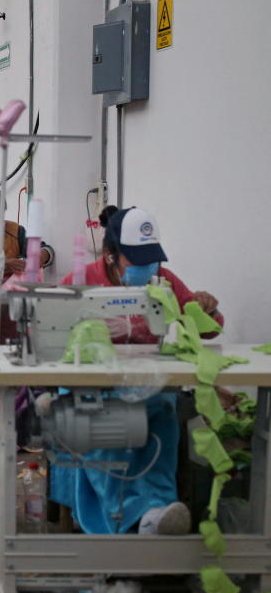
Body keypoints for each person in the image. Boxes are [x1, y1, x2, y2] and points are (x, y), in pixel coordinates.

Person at [50, 206, 223, 535]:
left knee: (163, 419)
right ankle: (133, 517)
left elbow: (207, 328)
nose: (147, 268)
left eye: (152, 259)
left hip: (146, 382)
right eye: (137, 261)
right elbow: (52, 335)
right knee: (103, 423)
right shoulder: (80, 281)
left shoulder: (164, 281)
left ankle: (157, 510)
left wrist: (207, 308)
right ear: (110, 255)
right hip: (90, 384)